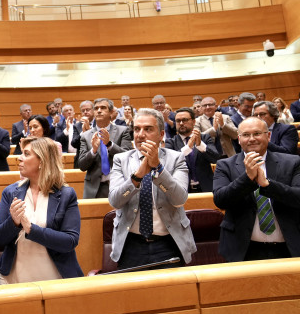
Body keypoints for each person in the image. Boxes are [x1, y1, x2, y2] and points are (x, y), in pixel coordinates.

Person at [108, 108, 195, 271]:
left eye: (148, 129)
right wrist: (137, 177)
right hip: (131, 244)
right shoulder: (121, 159)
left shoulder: (176, 158)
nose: (140, 135)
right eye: (137, 129)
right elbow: (115, 201)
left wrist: (158, 168)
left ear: (161, 134)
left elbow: (179, 199)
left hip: (169, 242)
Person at [0, 136, 83, 284]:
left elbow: (70, 241)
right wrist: (13, 223)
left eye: (26, 154)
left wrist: (31, 230)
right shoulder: (10, 192)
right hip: (13, 279)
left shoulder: (66, 194)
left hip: (55, 279)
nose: (19, 158)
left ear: (42, 160)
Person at [213, 117, 300, 262]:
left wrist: (267, 185)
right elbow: (221, 200)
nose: (252, 139)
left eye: (257, 133)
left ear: (268, 136)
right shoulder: (224, 165)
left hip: (289, 247)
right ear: (239, 139)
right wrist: (247, 179)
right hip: (243, 249)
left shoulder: (293, 162)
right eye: (246, 135)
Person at [77, 98, 133, 199]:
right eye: (96, 108)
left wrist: (109, 144)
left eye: (103, 108)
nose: (99, 110)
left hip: (119, 185)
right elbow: (82, 165)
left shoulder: (123, 131)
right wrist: (93, 151)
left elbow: (129, 157)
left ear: (111, 112)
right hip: (94, 189)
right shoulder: (85, 136)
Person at [165, 108, 221, 192]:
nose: (181, 123)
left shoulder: (205, 138)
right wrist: (187, 148)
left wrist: (200, 145)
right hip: (181, 190)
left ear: (194, 122)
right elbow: (169, 163)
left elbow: (215, 158)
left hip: (206, 187)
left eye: (184, 120)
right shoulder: (170, 142)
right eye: (178, 121)